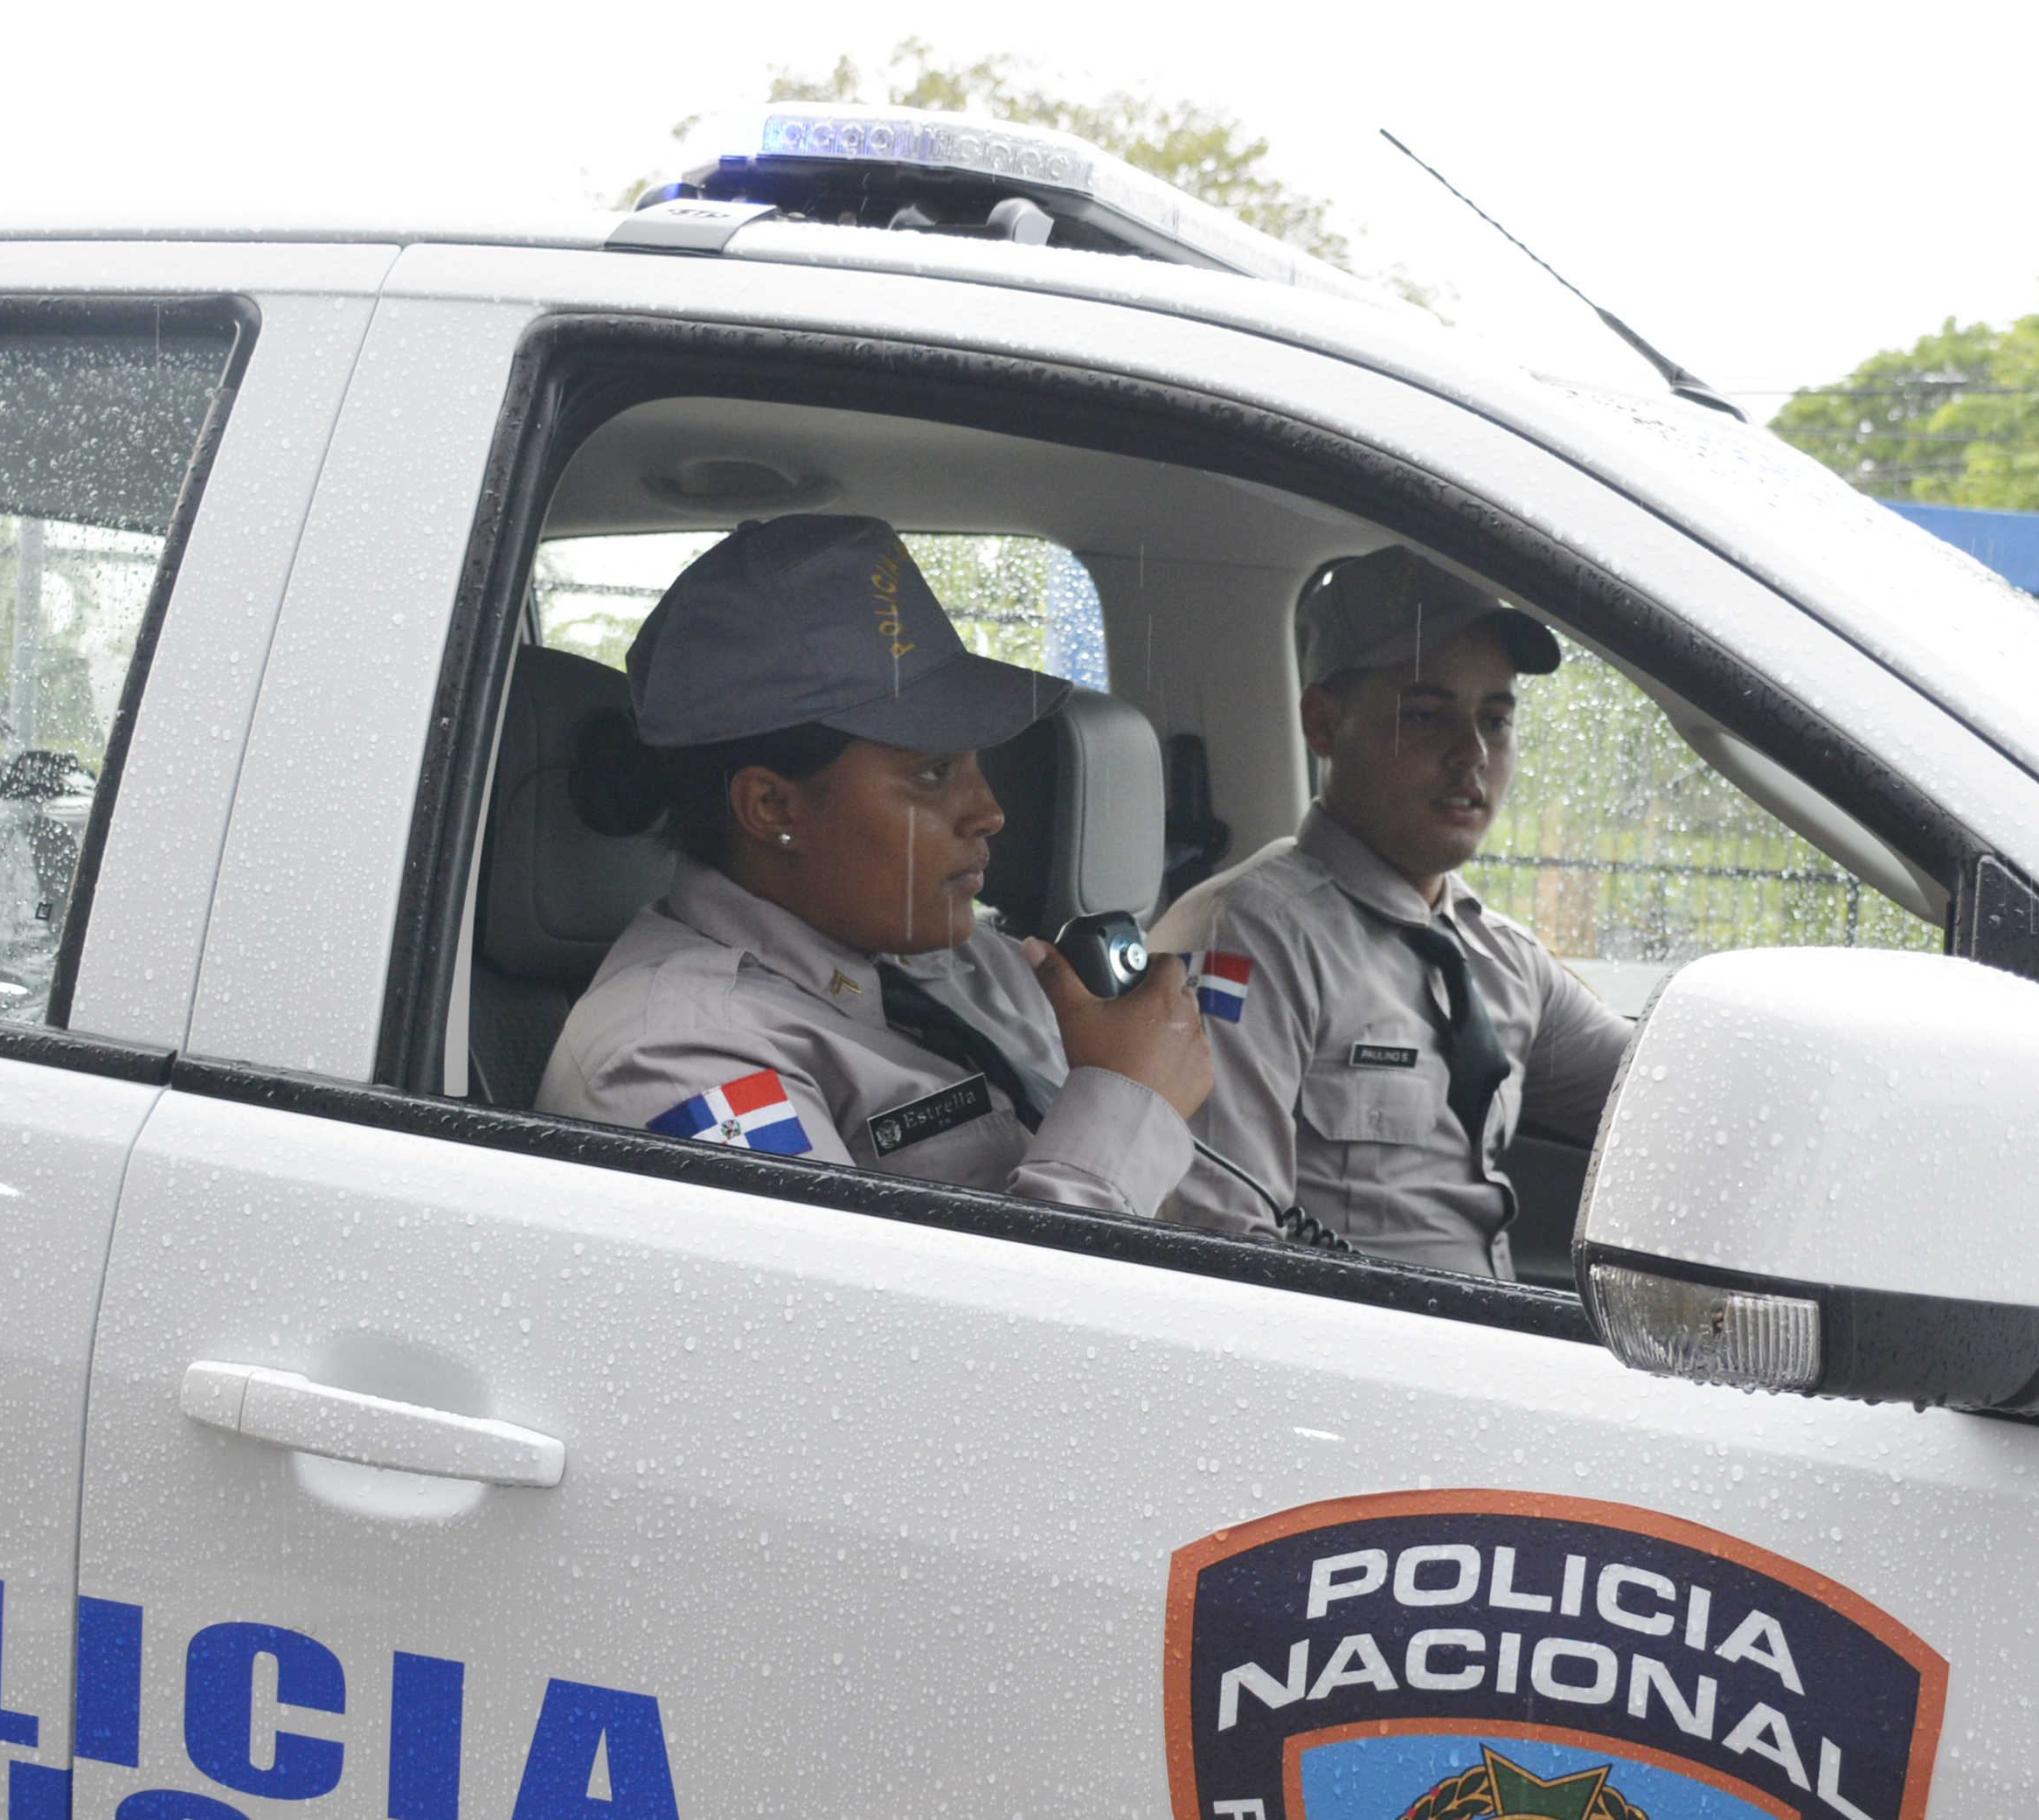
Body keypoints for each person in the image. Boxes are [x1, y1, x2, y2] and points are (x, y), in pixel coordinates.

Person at [538, 515, 1212, 1215]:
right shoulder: (675, 1059)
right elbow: (863, 1295)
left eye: (977, 763)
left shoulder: (977, 965)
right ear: (772, 806)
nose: (989, 812)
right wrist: (1127, 1105)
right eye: (933, 772)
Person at [1150, 547, 1631, 1275]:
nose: (1472, 754)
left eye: (1496, 719)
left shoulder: (1498, 957)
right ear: (1323, 724)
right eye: (1427, 716)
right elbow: (1220, 1251)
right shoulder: (1246, 937)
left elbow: (1667, 1095)